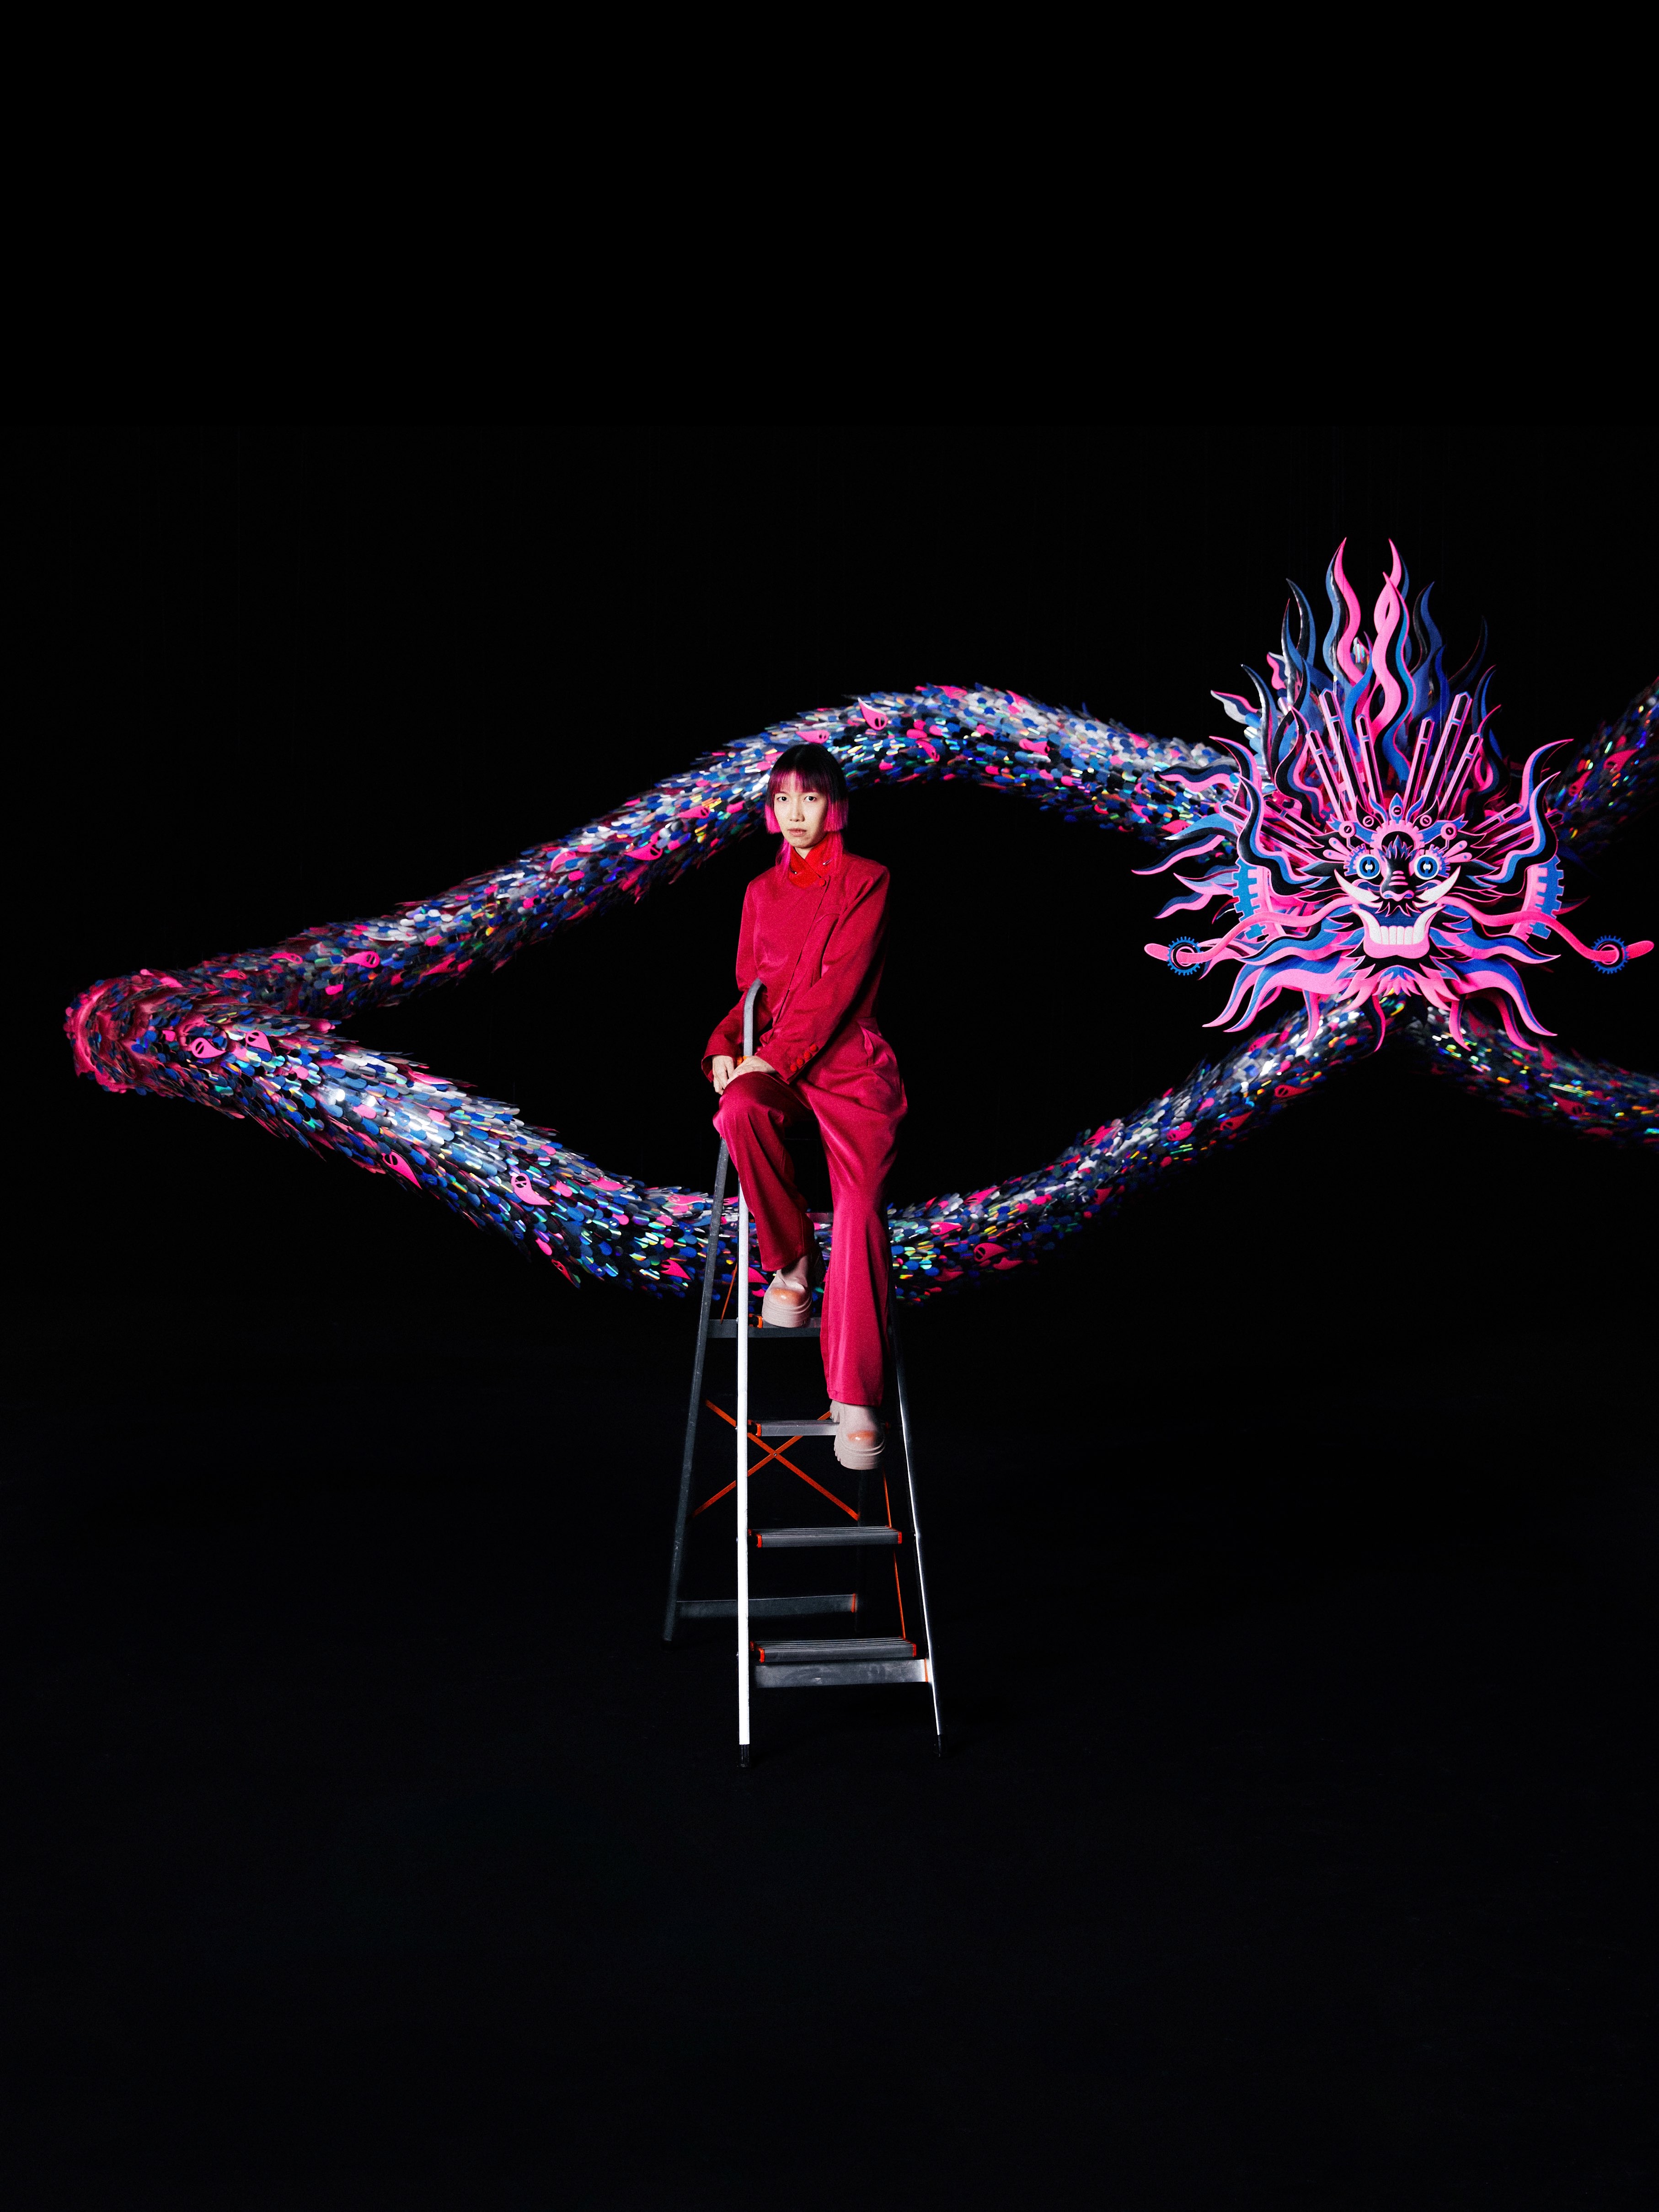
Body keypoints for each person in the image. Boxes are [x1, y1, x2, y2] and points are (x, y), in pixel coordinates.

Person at [703, 743, 905, 1472]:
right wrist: (724, 1046)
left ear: (835, 806)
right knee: (738, 1108)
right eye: (783, 798)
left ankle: (855, 1396)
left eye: (810, 798)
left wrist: (774, 1055)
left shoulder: (869, 880)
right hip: (777, 1062)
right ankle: (791, 1262)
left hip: (850, 1066)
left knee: (860, 1210)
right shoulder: (760, 892)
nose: (796, 813)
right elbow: (753, 993)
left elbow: (837, 991)